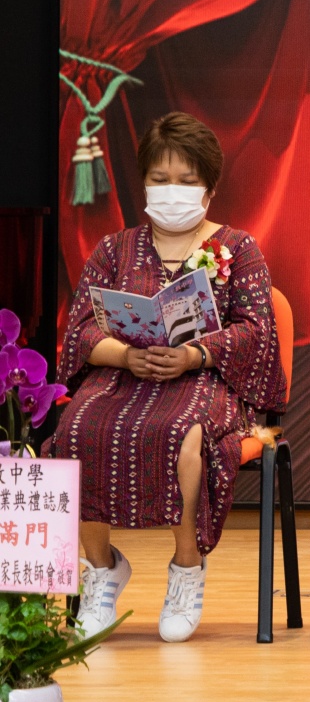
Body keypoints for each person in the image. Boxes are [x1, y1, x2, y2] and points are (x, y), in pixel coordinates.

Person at [51, 112, 287, 643]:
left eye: (186, 180)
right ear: (144, 183)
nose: (172, 191)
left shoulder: (237, 249)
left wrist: (194, 355)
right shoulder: (114, 249)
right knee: (74, 431)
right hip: (124, 378)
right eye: (160, 179)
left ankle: (186, 568)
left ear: (210, 187)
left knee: (184, 433)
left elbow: (256, 329)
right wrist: (124, 356)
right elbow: (81, 328)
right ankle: (102, 569)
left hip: (204, 381)